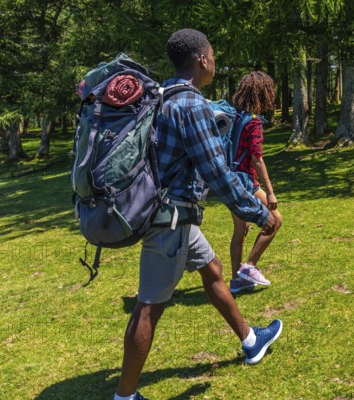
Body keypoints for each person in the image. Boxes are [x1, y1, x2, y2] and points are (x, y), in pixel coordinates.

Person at [113, 29, 282, 400]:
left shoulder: (162, 96)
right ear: (202, 59)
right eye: (213, 55)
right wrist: (258, 212)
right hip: (169, 219)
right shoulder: (191, 105)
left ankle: (251, 341)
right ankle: (124, 396)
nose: (215, 61)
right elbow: (216, 172)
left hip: (175, 214)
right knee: (149, 306)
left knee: (213, 270)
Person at [228, 72, 283, 294]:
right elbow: (257, 159)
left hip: (229, 180)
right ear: (263, 94)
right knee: (275, 221)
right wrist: (270, 192)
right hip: (246, 182)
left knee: (240, 230)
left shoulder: (232, 116)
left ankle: (236, 281)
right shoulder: (253, 123)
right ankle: (249, 267)